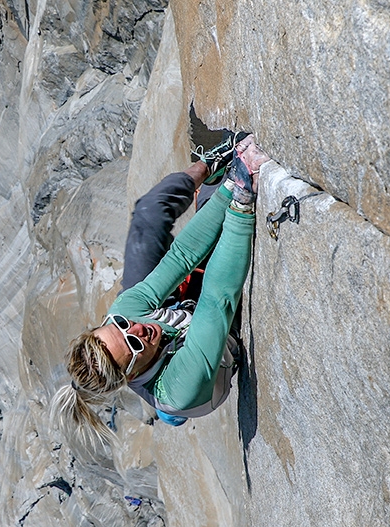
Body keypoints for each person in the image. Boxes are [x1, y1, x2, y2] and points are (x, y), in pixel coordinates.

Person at [51, 133, 271, 449]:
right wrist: (241, 201)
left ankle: (208, 163)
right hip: (209, 341)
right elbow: (216, 299)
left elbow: (181, 256)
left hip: (177, 314)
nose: (137, 328)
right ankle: (169, 413)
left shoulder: (123, 315)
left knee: (149, 214)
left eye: (121, 327)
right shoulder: (178, 389)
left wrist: (229, 184)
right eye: (132, 343)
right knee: (224, 236)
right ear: (129, 376)